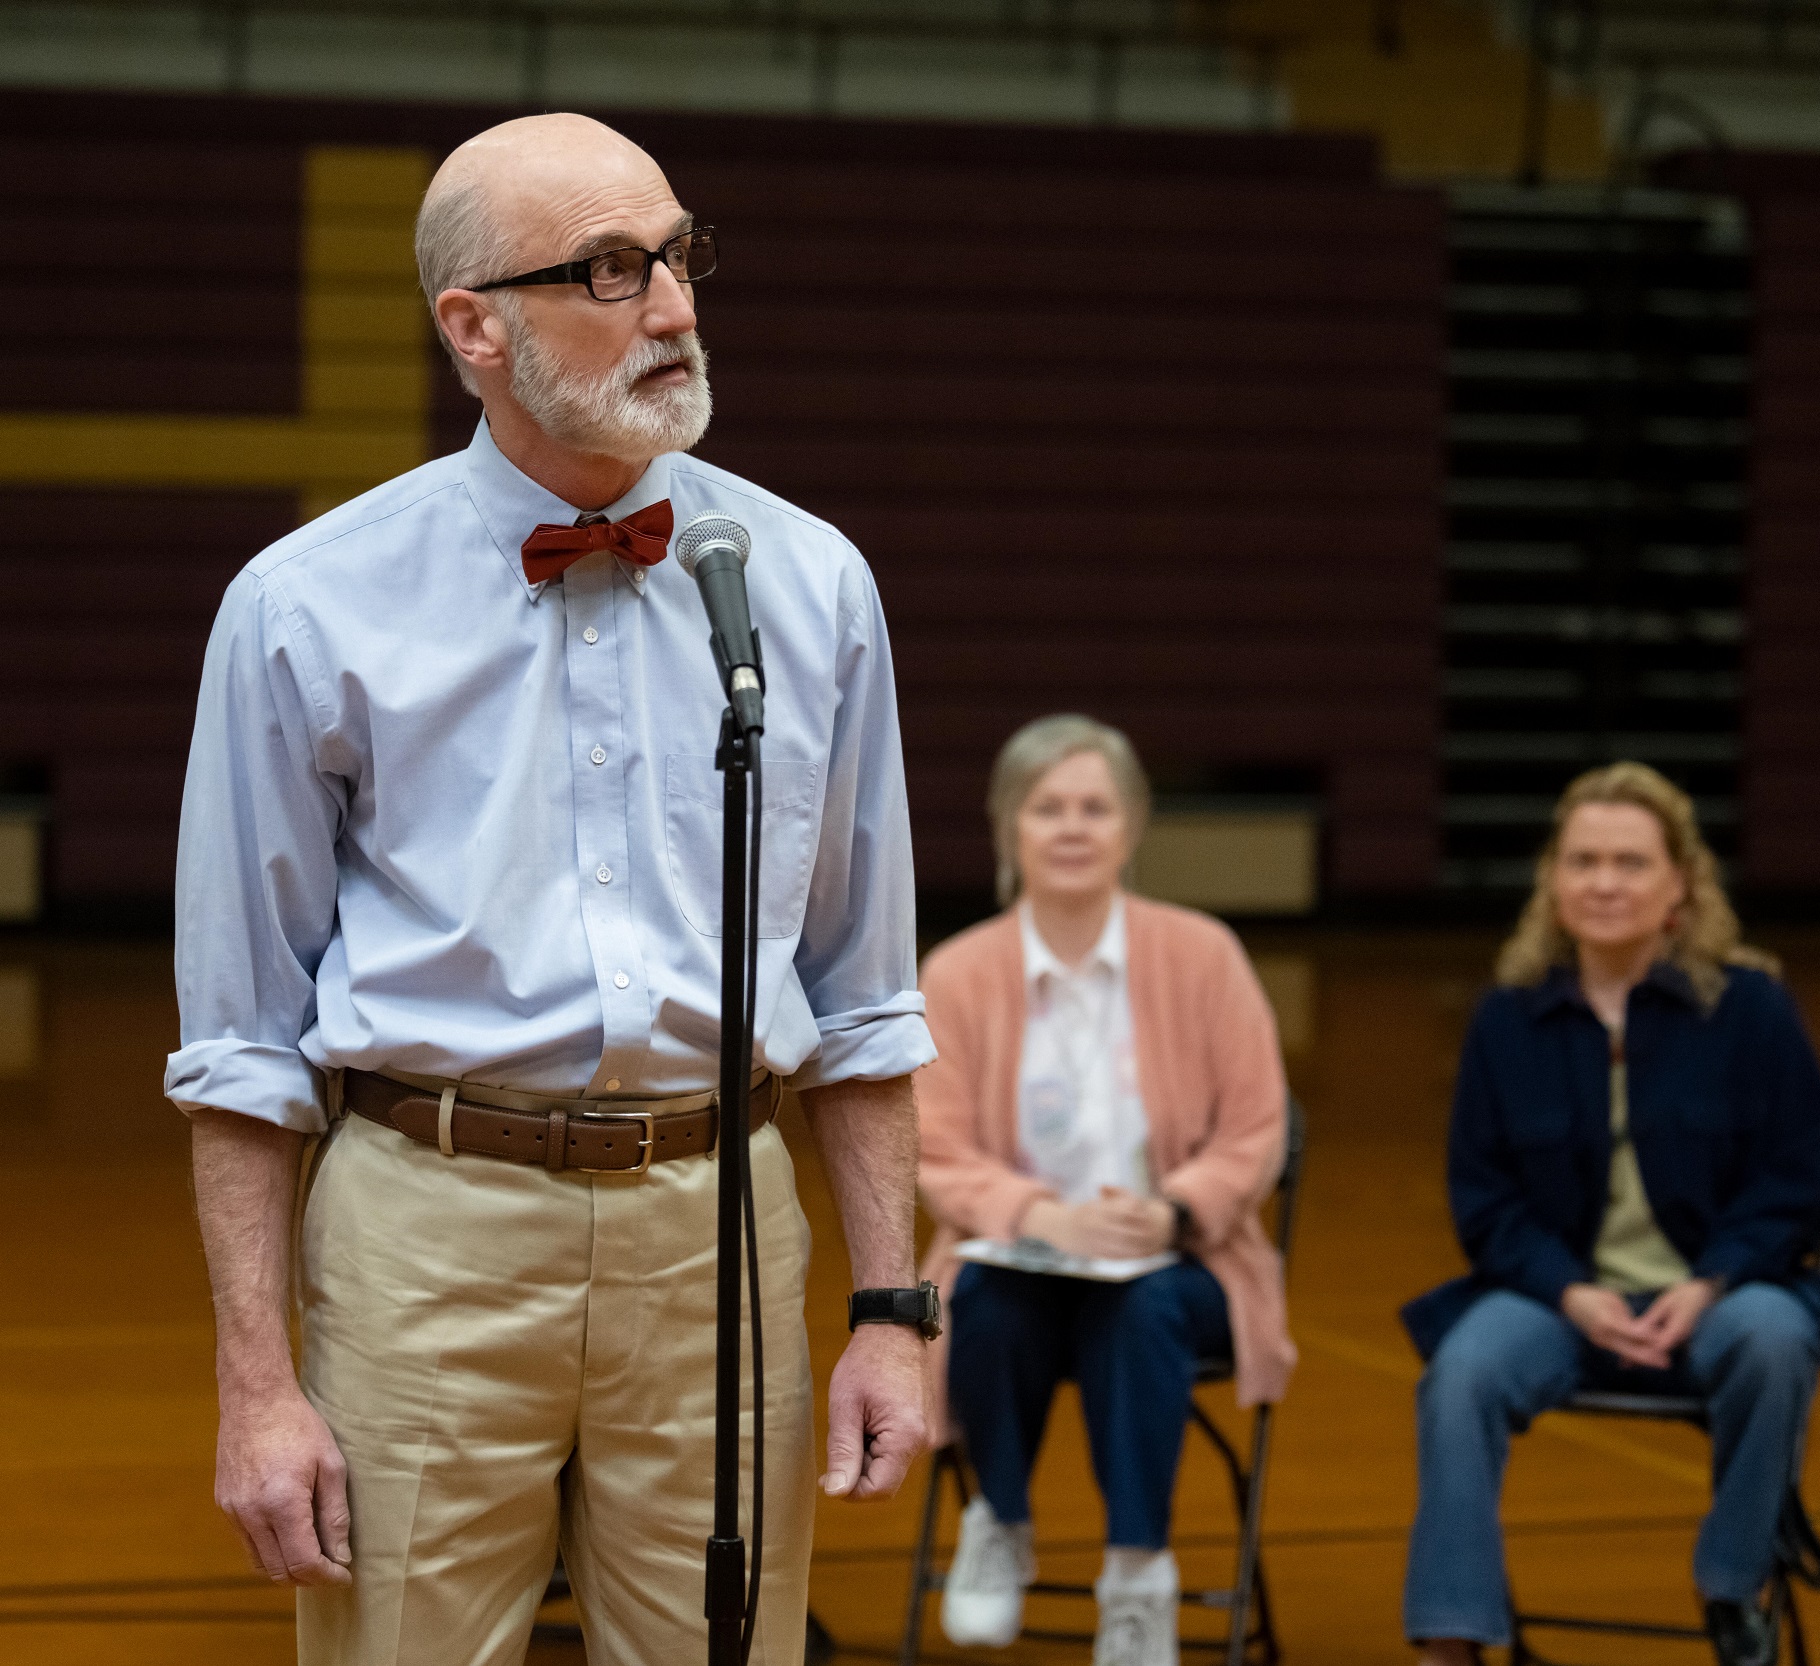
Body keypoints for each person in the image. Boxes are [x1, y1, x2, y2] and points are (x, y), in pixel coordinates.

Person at [164, 113, 940, 1666]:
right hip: (426, 1226)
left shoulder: (807, 581)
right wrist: (258, 1381)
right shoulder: (306, 603)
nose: (672, 306)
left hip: (722, 1220)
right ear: (477, 330)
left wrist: (893, 1311)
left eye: (677, 253)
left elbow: (863, 998)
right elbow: (242, 1042)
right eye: (608, 269)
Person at [1399, 762, 1820, 1666]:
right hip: (1559, 1303)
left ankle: (1732, 1588)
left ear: (1679, 887)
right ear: (1552, 881)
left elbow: (1794, 1178)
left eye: (1628, 862)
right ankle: (1452, 1637)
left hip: (1719, 1296)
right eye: (1581, 861)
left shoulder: (1754, 1011)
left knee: (1776, 1342)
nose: (1604, 883)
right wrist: (1571, 1293)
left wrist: (1709, 1283)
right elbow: (1485, 1199)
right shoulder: (1506, 1021)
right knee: (1459, 1374)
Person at [914, 715, 1296, 1666]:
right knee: (985, 1301)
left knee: (1142, 1307)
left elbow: (1258, 1128)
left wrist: (1170, 1209)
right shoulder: (957, 974)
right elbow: (932, 1148)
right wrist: (1042, 1216)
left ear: (1131, 828)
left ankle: (1137, 1577)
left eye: (1096, 807)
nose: (1073, 827)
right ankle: (999, 1523)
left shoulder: (1204, 955)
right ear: (1010, 830)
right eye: (1048, 809)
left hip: (1182, 1262)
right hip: (1020, 1258)